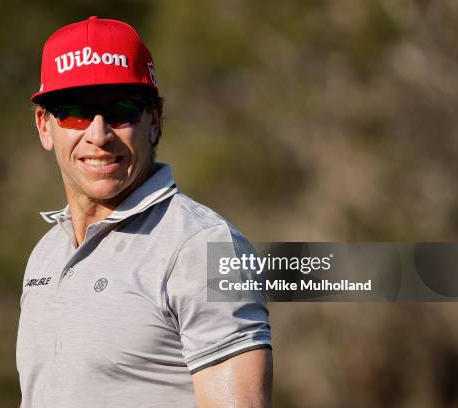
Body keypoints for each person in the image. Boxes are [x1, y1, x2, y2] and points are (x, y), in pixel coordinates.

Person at [16, 16, 272, 408]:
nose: (98, 135)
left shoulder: (206, 247)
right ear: (44, 127)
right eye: (74, 112)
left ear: (154, 121)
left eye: (122, 109)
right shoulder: (46, 254)